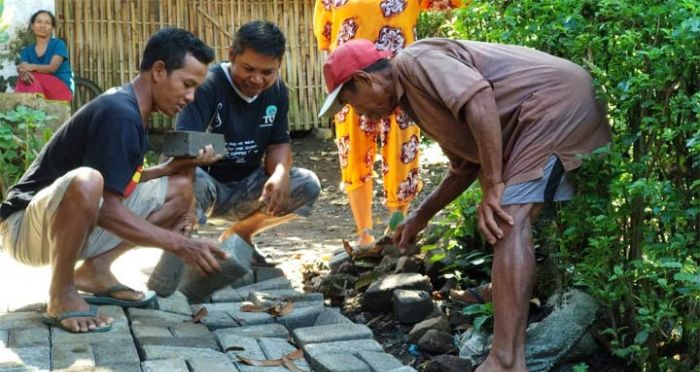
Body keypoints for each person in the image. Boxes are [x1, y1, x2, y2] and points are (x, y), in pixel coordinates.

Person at [319, 38, 611, 372]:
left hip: (554, 106)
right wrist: (421, 217)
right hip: (542, 114)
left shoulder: (416, 61)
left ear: (364, 80)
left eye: (350, 102)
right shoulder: (412, 100)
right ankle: (506, 300)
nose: (357, 113)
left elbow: (480, 97)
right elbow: (463, 167)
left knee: (506, 218)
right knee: (509, 220)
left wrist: (495, 184)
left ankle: (506, 365)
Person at [0, 28, 228, 334]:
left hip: (63, 222)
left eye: (196, 89)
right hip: (23, 227)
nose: (190, 97)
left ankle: (96, 271)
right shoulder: (119, 113)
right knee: (88, 181)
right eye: (187, 85)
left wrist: (170, 168)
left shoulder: (135, 111)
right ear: (159, 71)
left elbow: (119, 182)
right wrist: (181, 244)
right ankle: (61, 292)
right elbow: (106, 206)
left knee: (179, 188)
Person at [313, 0, 463, 247]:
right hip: (351, 86)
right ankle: (363, 234)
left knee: (402, 156)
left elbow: (453, 2)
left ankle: (396, 228)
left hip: (399, 81)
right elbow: (327, 40)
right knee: (354, 157)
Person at [175, 21, 321, 261]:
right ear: (231, 55)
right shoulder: (208, 86)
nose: (256, 79)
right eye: (248, 68)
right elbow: (184, 148)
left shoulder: (277, 92)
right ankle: (181, 249)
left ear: (278, 66)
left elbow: (278, 144)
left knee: (307, 184)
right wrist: (186, 199)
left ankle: (238, 236)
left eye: (267, 72)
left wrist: (280, 174)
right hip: (206, 186)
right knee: (186, 180)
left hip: (248, 188)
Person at [15, 10, 74, 102]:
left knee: (33, 76)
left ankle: (31, 109)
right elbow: (24, 67)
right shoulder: (27, 50)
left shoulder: (58, 44)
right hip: (38, 89)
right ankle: (28, 110)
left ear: (52, 28)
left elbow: (52, 68)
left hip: (61, 90)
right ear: (32, 26)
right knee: (25, 77)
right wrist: (24, 72)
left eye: (47, 23)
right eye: (39, 22)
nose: (43, 25)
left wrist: (30, 67)